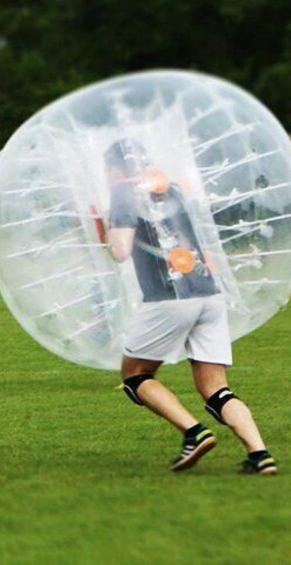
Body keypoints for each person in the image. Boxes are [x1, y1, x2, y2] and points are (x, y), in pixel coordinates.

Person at [103, 138, 276, 475]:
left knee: (135, 375)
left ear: (115, 168)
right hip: (208, 294)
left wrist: (107, 233)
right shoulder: (170, 188)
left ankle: (194, 433)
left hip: (170, 299)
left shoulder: (124, 191)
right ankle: (260, 454)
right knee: (215, 388)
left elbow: (120, 250)